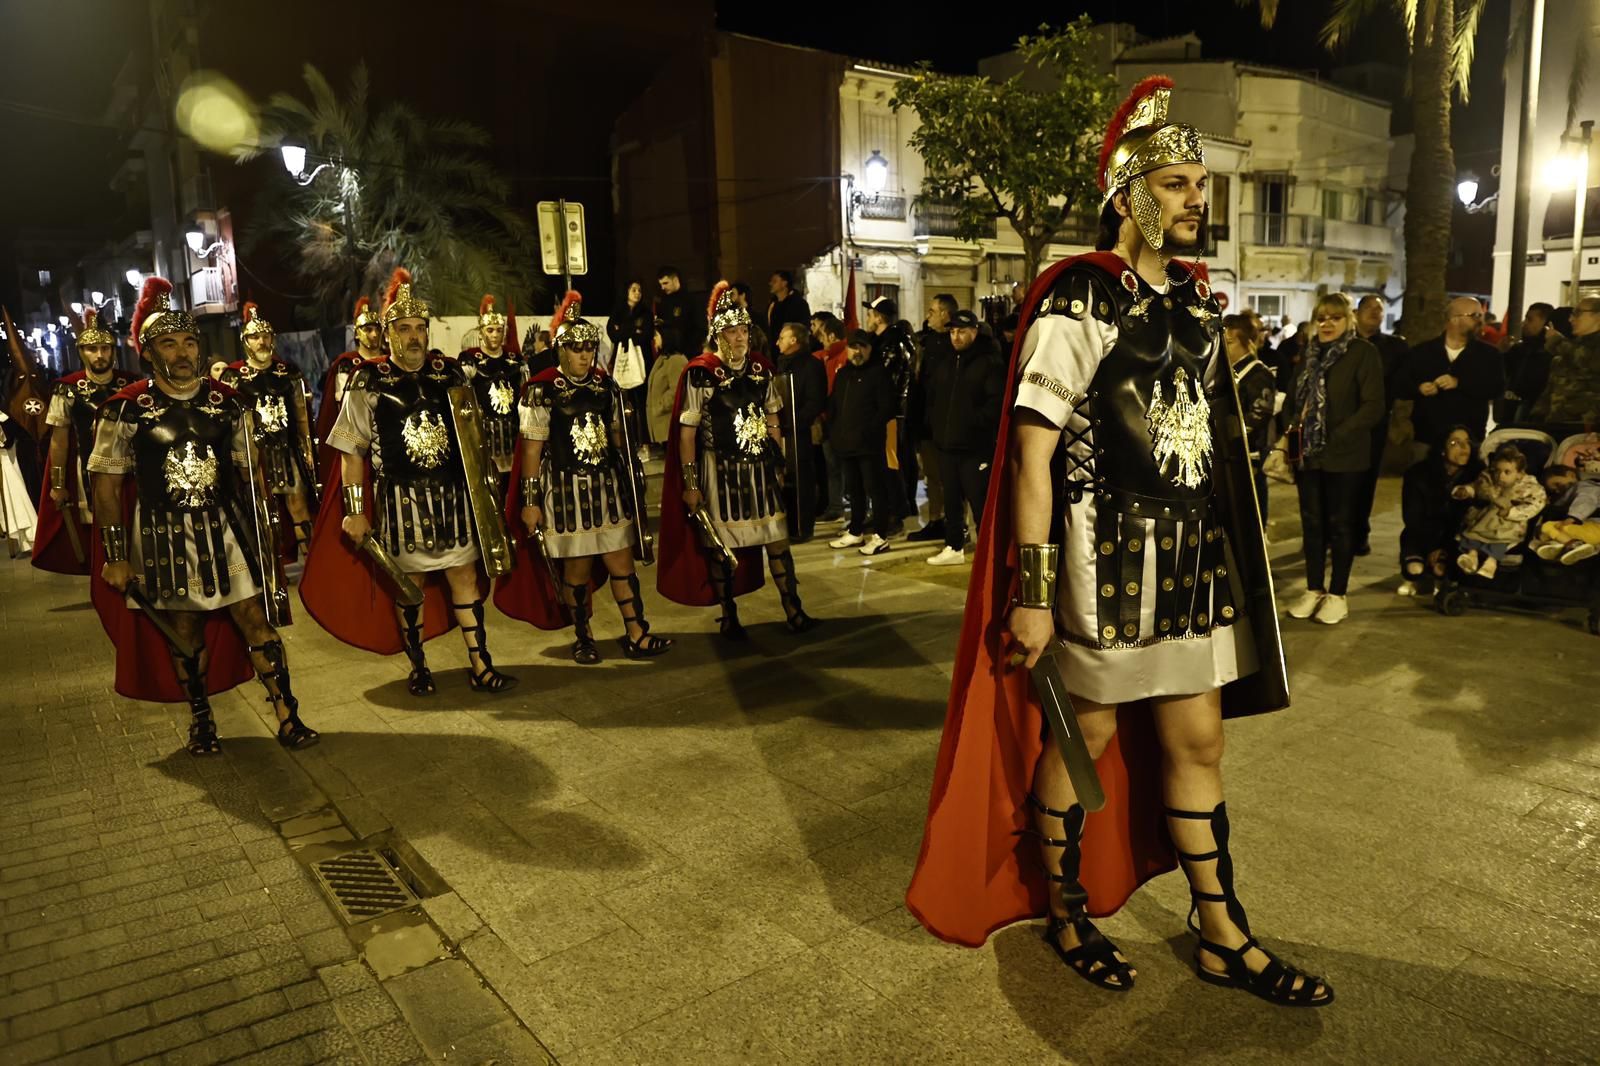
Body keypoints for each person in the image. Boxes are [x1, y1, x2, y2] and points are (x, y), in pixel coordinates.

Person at [908, 75, 1328, 1006]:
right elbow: (1030, 457)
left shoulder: (1196, 309)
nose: (1196, 198)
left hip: (1189, 567)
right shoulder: (1079, 303)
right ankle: (1065, 909)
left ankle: (1219, 929)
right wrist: (1029, 592)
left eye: (1197, 183)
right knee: (1086, 736)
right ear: (1128, 192)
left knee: (1201, 742)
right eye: (1176, 182)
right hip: (1103, 561)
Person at [88, 277, 318, 754]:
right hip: (160, 538)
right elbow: (107, 488)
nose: (182, 352)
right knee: (185, 633)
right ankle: (202, 720)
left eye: (189, 341)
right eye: (168, 343)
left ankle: (287, 714)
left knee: (256, 620)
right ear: (148, 352)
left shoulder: (226, 402)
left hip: (226, 529)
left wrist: (266, 530)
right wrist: (114, 555)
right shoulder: (126, 411)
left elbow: (250, 471)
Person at [304, 267, 518, 696]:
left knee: (465, 579)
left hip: (455, 499)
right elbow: (351, 451)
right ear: (388, 334)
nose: (416, 336)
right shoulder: (368, 382)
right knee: (412, 588)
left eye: (421, 328)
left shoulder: (451, 375)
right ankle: (419, 666)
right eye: (405, 328)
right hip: (402, 503)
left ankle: (480, 664)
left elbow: (473, 442)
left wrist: (489, 499)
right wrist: (355, 510)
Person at [499, 291, 672, 663]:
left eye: (589, 348)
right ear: (562, 350)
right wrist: (529, 502)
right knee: (576, 570)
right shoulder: (542, 390)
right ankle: (583, 636)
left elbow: (616, 437)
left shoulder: (605, 386)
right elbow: (531, 449)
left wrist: (630, 477)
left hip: (606, 488)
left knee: (620, 563)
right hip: (565, 492)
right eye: (577, 348)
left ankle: (636, 631)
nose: (584, 355)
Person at [657, 281, 815, 637]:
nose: (740, 337)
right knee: (721, 549)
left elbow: (773, 416)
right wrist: (691, 483)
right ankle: (729, 615)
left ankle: (794, 610)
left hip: (760, 470)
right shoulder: (702, 372)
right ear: (718, 334)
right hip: (720, 470)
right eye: (732, 331)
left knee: (778, 543)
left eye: (744, 330)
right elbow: (687, 432)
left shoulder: (760, 369)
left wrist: (778, 459)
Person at [1284, 293, 1385, 625]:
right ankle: (1314, 589)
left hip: (1345, 456)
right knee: (1312, 524)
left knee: (1341, 526)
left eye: (1334, 318)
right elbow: (1293, 400)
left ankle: (1337, 594)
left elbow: (1373, 406)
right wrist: (1292, 429)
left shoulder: (1362, 353)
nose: (1327, 324)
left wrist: (1338, 433)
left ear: (1348, 320)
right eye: (1322, 318)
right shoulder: (1310, 355)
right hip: (1309, 457)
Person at [32, 308, 138, 575]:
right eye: (92, 349)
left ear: (113, 351)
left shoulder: (132, 384)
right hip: (88, 469)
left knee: (134, 520)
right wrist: (57, 484)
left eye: (105, 348)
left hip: (132, 467)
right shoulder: (67, 388)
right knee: (98, 525)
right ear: (81, 352)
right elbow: (59, 439)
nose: (100, 355)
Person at [220, 303, 319, 554]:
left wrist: (307, 448)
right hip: (255, 454)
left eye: (265, 336)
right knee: (261, 508)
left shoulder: (287, 372)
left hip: (287, 449)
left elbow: (301, 414)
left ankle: (309, 559)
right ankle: (271, 564)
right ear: (246, 341)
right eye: (255, 337)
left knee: (299, 505)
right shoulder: (234, 376)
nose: (261, 341)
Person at [920, 309, 1004, 565]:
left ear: (974, 332)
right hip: (946, 445)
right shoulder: (946, 361)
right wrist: (935, 427)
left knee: (980, 502)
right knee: (952, 500)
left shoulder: (989, 362)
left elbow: (995, 404)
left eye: (962, 331)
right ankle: (954, 546)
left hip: (975, 447)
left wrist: (972, 425)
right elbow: (934, 398)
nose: (956, 337)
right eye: (953, 331)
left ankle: (989, 553)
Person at [827, 330, 897, 557]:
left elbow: (887, 408)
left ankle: (881, 536)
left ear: (869, 349)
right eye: (853, 347)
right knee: (854, 490)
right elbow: (835, 405)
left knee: (875, 490)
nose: (857, 352)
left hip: (869, 444)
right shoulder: (844, 374)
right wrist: (835, 431)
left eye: (862, 347)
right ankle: (856, 529)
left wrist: (869, 430)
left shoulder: (879, 374)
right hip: (846, 442)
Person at [1401, 297, 1504, 449]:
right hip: (1427, 437)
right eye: (1474, 316)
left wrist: (1460, 383)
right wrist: (1419, 388)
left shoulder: (1489, 355)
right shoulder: (1423, 352)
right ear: (1454, 319)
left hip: (1469, 439)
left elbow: (1496, 387)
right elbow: (1401, 383)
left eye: (1481, 315)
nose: (1480, 321)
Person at [1350, 295, 1409, 554]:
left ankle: (1359, 533)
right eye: (1370, 308)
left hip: (1374, 424)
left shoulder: (1394, 347)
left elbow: (1399, 383)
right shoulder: (1344, 343)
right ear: (1357, 312)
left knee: (1365, 479)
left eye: (1380, 309)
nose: (1376, 313)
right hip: (1340, 422)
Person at [1397, 426, 1481, 597]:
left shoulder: (1478, 475)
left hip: (1456, 536)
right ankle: (1416, 572)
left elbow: (1468, 518)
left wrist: (1443, 547)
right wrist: (1431, 547)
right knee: (1415, 569)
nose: (1464, 448)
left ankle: (1441, 575)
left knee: (1441, 569)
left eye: (1467, 443)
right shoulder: (1418, 474)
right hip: (1423, 532)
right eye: (1455, 443)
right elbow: (1412, 517)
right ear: (1442, 449)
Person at [458, 295, 527, 488]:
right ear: (481, 332)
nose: (495, 335)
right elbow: (463, 395)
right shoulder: (470, 359)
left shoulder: (515, 360)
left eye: (498, 330)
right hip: (485, 435)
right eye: (490, 330)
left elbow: (525, 395)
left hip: (513, 433)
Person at [1453, 443, 1545, 579]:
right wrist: (1466, 491)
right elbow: (1477, 487)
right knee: (1472, 533)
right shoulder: (1488, 479)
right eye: (1497, 471)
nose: (1500, 476)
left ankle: (1491, 563)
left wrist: (1511, 512)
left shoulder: (1529, 487)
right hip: (1484, 517)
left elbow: (1536, 504)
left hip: (1508, 522)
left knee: (1501, 540)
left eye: (1507, 472)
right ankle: (1471, 556)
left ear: (1519, 474)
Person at [907, 294, 958, 544]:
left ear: (945, 314)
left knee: (952, 478)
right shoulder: (926, 342)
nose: (928, 315)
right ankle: (936, 519)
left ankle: (955, 522)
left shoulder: (954, 344)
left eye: (932, 311)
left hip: (949, 422)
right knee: (932, 476)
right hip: (927, 422)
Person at [315, 296, 384, 475]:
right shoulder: (347, 364)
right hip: (357, 433)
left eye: (377, 329)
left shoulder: (388, 362)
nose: (374, 334)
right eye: (368, 329)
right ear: (357, 332)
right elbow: (341, 404)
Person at [772, 321, 827, 542]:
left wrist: (796, 421)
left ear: (794, 340)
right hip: (782, 431)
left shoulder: (811, 365)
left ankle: (803, 526)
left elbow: (815, 400)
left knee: (802, 479)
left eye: (782, 338)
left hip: (800, 432)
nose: (778, 342)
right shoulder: (782, 365)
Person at [866, 295, 917, 524]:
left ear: (878, 317)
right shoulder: (884, 341)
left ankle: (896, 513)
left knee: (891, 463)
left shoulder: (892, 344)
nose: (867, 318)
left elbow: (886, 382)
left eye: (870, 314)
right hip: (885, 413)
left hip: (890, 414)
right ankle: (886, 510)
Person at [1221, 313, 1276, 526]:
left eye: (1230, 343)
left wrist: (1228, 434)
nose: (1225, 348)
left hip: (1248, 453)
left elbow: (1258, 416)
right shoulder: (1226, 371)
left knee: (1249, 513)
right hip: (1229, 452)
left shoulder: (1258, 373)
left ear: (1248, 343)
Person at [1529, 296, 1600, 431]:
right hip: (1556, 424)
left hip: (1587, 429)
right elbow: (1551, 390)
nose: (1571, 319)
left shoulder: (1568, 348)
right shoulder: (1569, 348)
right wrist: (1537, 416)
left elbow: (1589, 360)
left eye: (1577, 313)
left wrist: (1557, 342)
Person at [606, 279, 655, 455]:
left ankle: (645, 444)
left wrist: (625, 331)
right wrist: (633, 330)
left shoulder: (645, 313)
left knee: (641, 403)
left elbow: (646, 335)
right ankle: (630, 442)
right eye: (634, 289)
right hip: (623, 362)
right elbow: (613, 333)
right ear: (626, 292)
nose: (637, 293)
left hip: (642, 362)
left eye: (640, 290)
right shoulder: (618, 311)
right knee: (627, 404)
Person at [813, 312, 850, 521]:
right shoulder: (827, 357)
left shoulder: (844, 357)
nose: (822, 341)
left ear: (833, 337)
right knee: (832, 466)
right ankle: (836, 507)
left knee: (844, 466)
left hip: (841, 421)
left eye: (825, 337)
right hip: (828, 418)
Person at [1531, 463, 1600, 565]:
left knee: (1548, 527)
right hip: (1591, 529)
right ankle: (1564, 546)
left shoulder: (1583, 486)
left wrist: (1573, 517)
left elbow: (1586, 500)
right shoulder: (1568, 494)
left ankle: (1575, 546)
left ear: (1571, 475)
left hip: (1595, 527)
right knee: (1546, 530)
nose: (1558, 490)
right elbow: (1559, 507)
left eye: (1557, 484)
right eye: (1554, 491)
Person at [1501, 302, 1553, 424]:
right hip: (1511, 411)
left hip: (1535, 416)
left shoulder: (1551, 353)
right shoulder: (1519, 350)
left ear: (1546, 324)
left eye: (1529, 319)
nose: (1524, 324)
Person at [0, 410, 37, 556]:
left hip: (7, 460)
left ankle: (27, 537)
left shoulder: (6, 416)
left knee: (14, 497)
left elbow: (8, 440)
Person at [654, 266, 701, 362]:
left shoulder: (690, 300)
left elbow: (699, 328)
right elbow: (660, 323)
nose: (663, 287)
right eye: (661, 284)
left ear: (675, 280)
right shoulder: (663, 301)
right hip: (667, 354)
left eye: (665, 283)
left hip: (688, 353)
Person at [767, 271, 810, 349]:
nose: (771, 284)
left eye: (775, 281)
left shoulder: (798, 304)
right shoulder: (772, 304)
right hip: (775, 347)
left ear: (784, 283)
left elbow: (803, 326)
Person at [730, 282, 770, 356]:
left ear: (742, 295)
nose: (730, 297)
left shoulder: (757, 317)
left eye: (733, 294)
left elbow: (763, 341)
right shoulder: (730, 316)